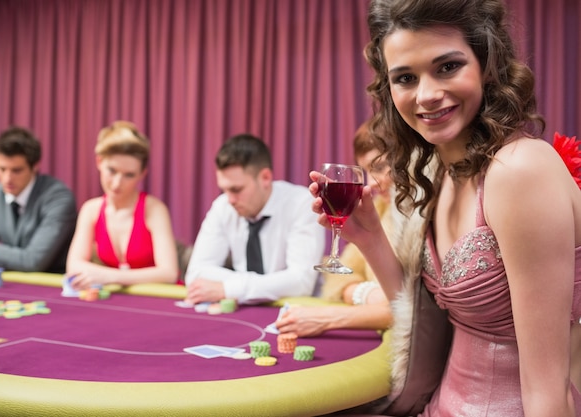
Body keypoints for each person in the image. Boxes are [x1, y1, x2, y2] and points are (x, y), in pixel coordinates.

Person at [308, 0, 581, 415]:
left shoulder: (521, 171)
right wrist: (367, 236)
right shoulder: (436, 170)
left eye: (448, 67)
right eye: (405, 78)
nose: (428, 95)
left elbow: (548, 391)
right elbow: (424, 323)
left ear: (486, 64)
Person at [276, 122, 393, 337]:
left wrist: (326, 318)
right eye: (365, 171)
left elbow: (410, 308)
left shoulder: (426, 219)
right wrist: (367, 294)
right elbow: (338, 277)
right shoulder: (380, 209)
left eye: (379, 167)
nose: (371, 183)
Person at [184, 134, 325, 305]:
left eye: (236, 189)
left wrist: (229, 289)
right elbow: (196, 274)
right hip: (241, 309)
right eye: (224, 190)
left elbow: (301, 282)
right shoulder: (222, 206)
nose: (230, 200)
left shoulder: (302, 204)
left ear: (265, 178)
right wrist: (264, 285)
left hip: (296, 311)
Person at [66, 121, 178, 289]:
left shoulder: (154, 209)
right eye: (112, 170)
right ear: (99, 162)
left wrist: (108, 276)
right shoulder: (90, 210)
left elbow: (169, 273)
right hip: (115, 300)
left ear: (142, 174)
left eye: (129, 175)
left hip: (157, 299)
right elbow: (73, 266)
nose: (117, 183)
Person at [0, 126, 77, 279]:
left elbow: (33, 261)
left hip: (52, 285)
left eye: (16, 170)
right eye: (2, 169)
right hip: (11, 284)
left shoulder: (59, 197)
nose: (7, 179)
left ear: (35, 166)